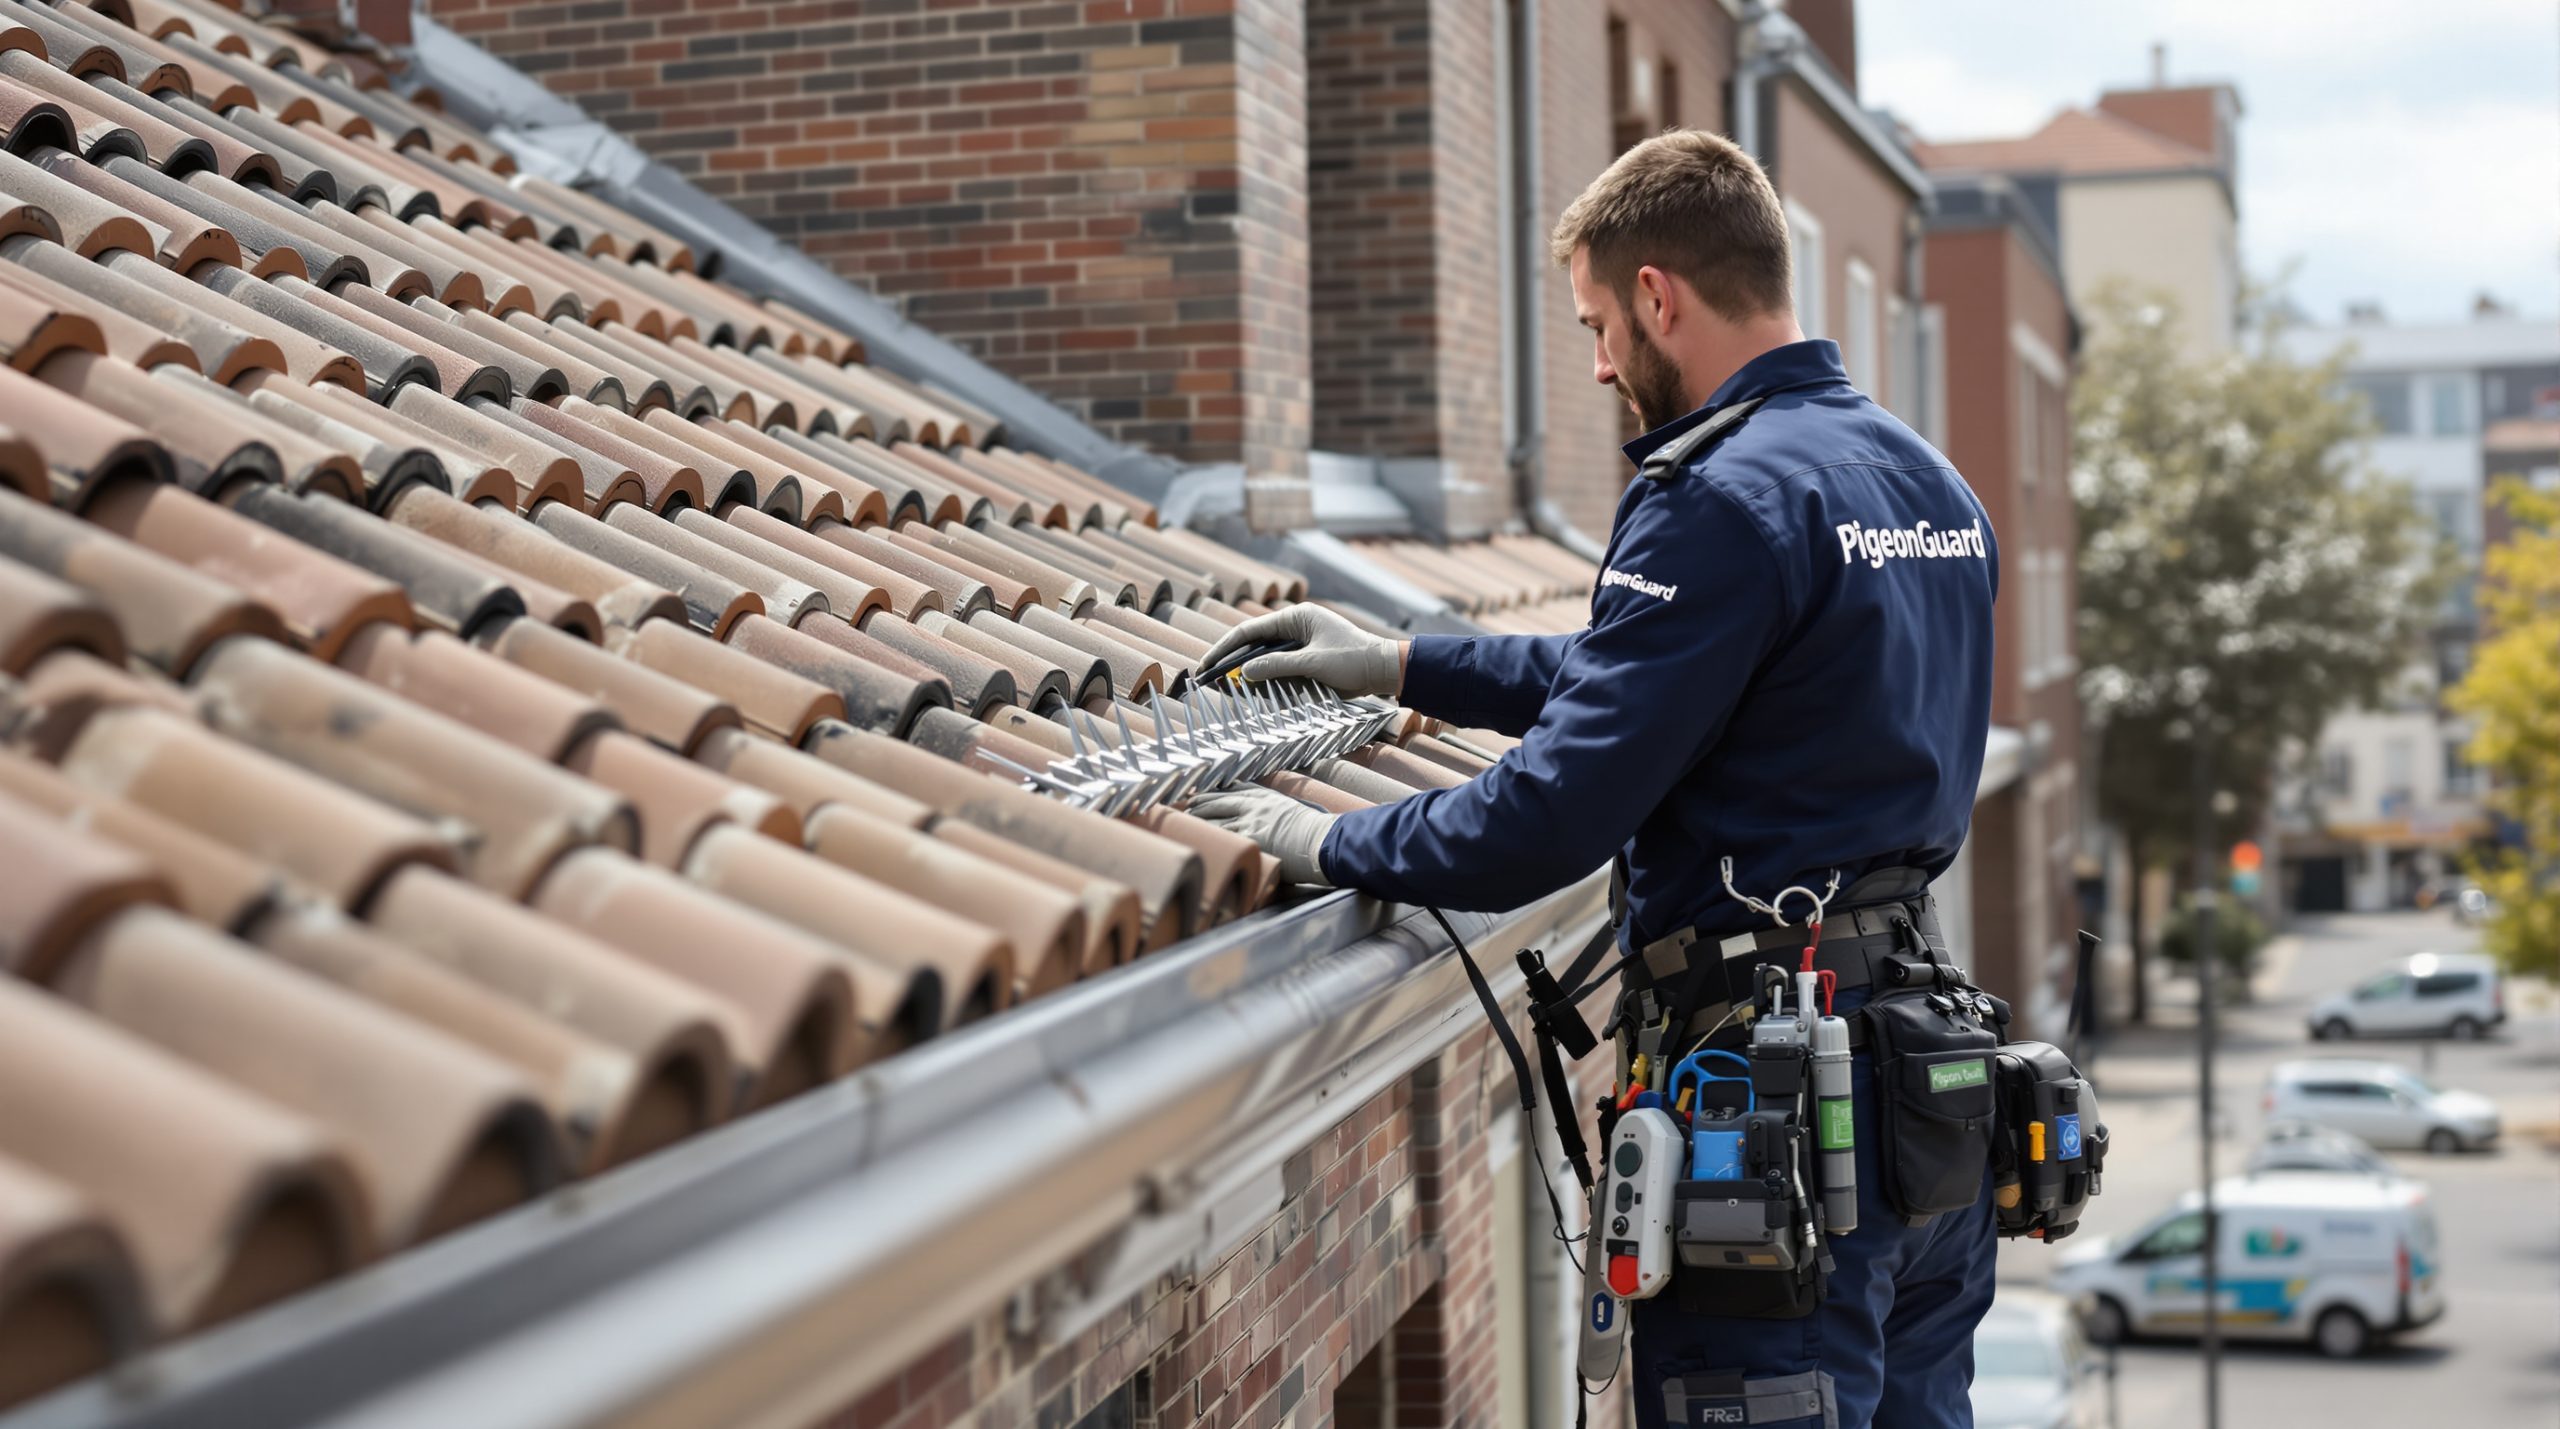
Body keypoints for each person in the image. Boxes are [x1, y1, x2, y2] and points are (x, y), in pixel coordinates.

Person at [1187, 130, 2000, 1429]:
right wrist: (1405, 662)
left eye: (1599, 326)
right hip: (1926, 1093)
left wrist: (1321, 839)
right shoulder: (1933, 486)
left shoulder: (1717, 497)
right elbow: (1687, 676)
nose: (1606, 364)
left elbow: (1549, 813)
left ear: (1658, 295)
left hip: (1777, 1118)